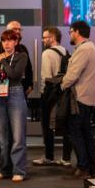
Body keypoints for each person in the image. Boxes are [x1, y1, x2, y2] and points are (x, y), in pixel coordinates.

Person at [61, 21, 95, 180]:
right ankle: (92, 167)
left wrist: (62, 85)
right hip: (87, 98)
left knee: (75, 133)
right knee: (86, 134)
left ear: (77, 32)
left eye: (71, 32)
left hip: (79, 98)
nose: (70, 35)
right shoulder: (91, 48)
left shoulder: (84, 49)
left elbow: (73, 74)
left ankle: (83, 166)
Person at [0, 28, 29, 181]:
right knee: (2, 136)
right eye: (4, 41)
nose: (6, 44)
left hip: (15, 92)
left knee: (18, 135)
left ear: (16, 42)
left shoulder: (21, 56)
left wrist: (3, 61)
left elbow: (14, 74)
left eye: (10, 40)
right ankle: (4, 169)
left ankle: (19, 170)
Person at [33, 26, 70, 167]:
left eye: (45, 37)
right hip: (64, 92)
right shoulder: (66, 51)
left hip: (50, 92)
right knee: (66, 125)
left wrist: (42, 93)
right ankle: (66, 158)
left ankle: (49, 156)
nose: (43, 40)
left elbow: (46, 77)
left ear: (52, 38)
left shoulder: (47, 53)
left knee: (47, 125)